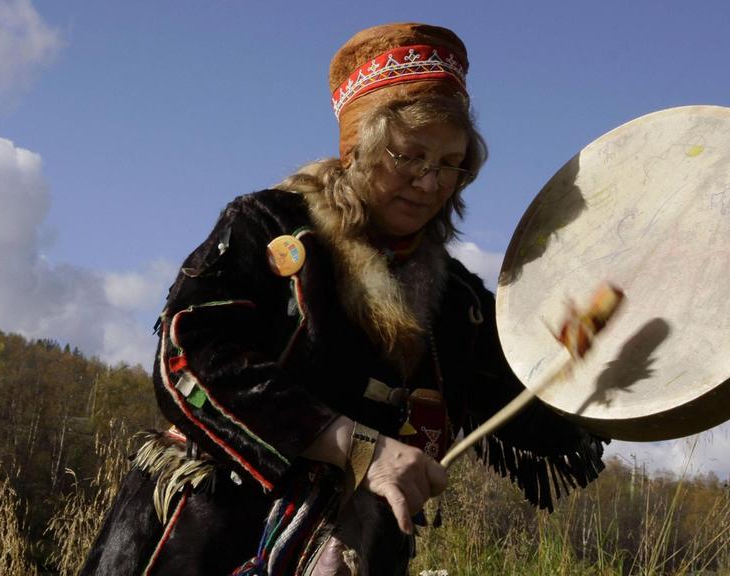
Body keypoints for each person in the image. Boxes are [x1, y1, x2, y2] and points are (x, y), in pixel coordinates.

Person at [80, 22, 607, 576]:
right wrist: (362, 450)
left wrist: (578, 361)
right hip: (204, 535)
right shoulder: (269, 225)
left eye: (450, 164)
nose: (430, 183)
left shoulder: (456, 299)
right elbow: (188, 361)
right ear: (358, 149)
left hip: (356, 550)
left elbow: (529, 407)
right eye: (409, 157)